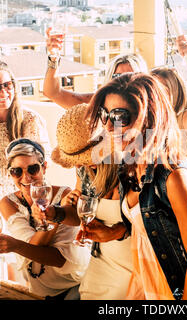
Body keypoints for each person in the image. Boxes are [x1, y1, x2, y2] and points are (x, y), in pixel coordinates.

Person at [85, 72, 187, 300]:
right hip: (147, 284)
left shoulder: (174, 177)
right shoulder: (129, 168)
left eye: (119, 116)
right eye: (104, 115)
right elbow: (146, 226)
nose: (108, 126)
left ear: (148, 118)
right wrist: (113, 232)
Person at [0, 138, 90, 299]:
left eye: (32, 169)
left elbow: (59, 259)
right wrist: (56, 217)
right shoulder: (8, 203)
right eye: (17, 171)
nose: (26, 178)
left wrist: (16, 246)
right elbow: (31, 245)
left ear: (44, 167)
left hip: (74, 288)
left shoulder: (66, 195)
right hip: (37, 291)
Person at [0, 60, 51, 280]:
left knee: (26, 256)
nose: (3, 91)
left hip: (21, 199)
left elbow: (42, 165)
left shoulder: (30, 119)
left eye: (8, 84)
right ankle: (0, 290)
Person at [50, 103, 133, 299]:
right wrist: (59, 212)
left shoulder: (128, 169)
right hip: (99, 258)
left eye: (82, 157)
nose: (78, 164)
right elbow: (79, 217)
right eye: (75, 159)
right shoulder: (84, 169)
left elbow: (151, 221)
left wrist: (114, 231)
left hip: (131, 260)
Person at [43, 27, 148, 109]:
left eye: (130, 77)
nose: (124, 82)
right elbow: (53, 93)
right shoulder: (101, 102)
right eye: (117, 76)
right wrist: (54, 58)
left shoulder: (153, 109)